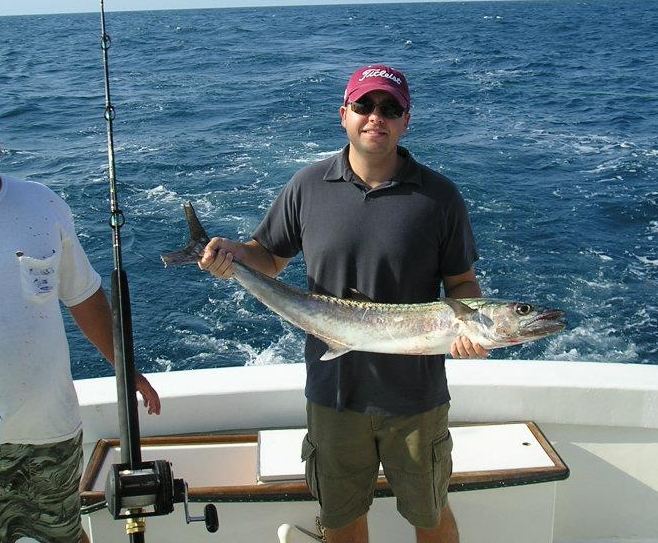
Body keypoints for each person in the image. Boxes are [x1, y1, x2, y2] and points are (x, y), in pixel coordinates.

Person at [200, 65, 488, 543]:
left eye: (391, 109)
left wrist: (471, 334)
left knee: (430, 515)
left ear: (406, 121)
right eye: (365, 106)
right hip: (334, 394)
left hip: (416, 399)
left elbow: (461, 283)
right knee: (341, 518)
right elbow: (267, 258)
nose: (377, 116)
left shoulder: (439, 197)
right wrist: (232, 255)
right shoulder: (308, 186)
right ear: (345, 115)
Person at [0, 83, 162, 543]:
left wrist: (125, 367)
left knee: (64, 535)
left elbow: (83, 295)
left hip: (48, 436)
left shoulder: (42, 202)